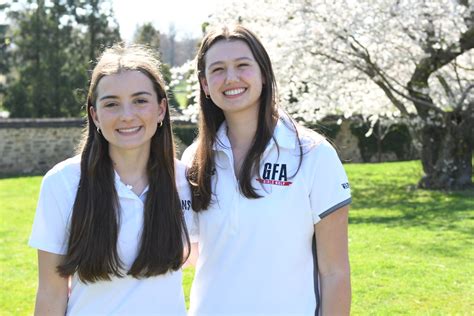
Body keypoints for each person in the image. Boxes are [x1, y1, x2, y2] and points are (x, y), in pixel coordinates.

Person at [182, 24, 352, 315]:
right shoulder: (194, 159)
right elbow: (196, 252)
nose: (231, 78)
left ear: (263, 73)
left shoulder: (312, 154)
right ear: (205, 84)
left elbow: (334, 272)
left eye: (242, 65)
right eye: (218, 69)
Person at [29, 44, 192, 315]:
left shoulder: (186, 180)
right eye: (112, 103)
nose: (127, 115)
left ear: (161, 109)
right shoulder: (63, 183)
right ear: (95, 115)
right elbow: (50, 291)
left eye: (140, 100)